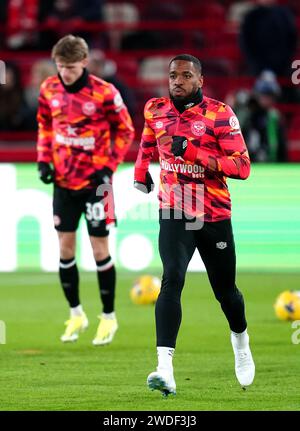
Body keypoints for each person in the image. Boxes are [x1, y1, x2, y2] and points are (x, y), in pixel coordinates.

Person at [134, 54, 255, 396]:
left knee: (226, 293)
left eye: (186, 75)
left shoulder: (220, 115)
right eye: (173, 75)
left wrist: (193, 154)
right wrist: (140, 172)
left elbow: (243, 167)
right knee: (172, 278)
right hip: (174, 209)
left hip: (213, 213)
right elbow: (147, 141)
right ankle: (164, 368)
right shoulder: (154, 110)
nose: (177, 81)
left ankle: (241, 341)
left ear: (200, 80)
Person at [37, 34, 134, 345]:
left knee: (99, 250)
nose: (64, 72)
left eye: (70, 66)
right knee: (65, 249)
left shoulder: (104, 93)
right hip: (63, 184)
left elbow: (126, 129)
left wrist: (109, 167)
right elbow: (44, 125)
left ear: (84, 62)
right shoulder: (48, 89)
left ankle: (108, 317)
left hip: (97, 184)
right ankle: (76, 314)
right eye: (60, 66)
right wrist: (43, 160)